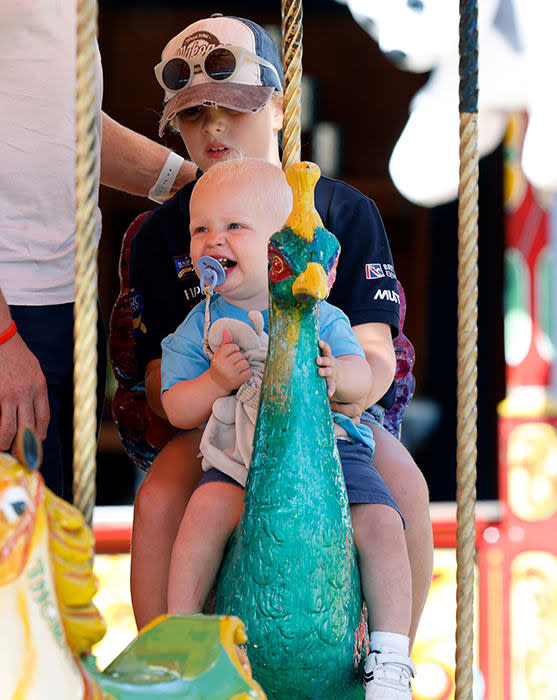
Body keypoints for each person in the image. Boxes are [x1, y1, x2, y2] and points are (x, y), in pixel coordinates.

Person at [129, 13, 433, 654]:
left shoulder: (341, 212)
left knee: (405, 483)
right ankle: (172, 660)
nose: (212, 128)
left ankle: (388, 656)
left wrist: (346, 380)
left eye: (233, 108)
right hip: (220, 421)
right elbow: (162, 379)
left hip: (330, 414)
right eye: (191, 115)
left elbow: (375, 347)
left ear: (276, 106)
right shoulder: (168, 233)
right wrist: (211, 381)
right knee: (158, 498)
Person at [162, 157, 415, 699]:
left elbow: (361, 375)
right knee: (204, 514)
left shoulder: (322, 315)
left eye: (234, 227)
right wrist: (211, 382)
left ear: (276, 244)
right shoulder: (201, 323)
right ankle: (183, 640)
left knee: (380, 523)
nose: (213, 240)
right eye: (200, 229)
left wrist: (335, 372)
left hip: (326, 447)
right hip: (239, 453)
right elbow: (176, 407)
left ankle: (390, 653)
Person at [0, 1, 196, 500]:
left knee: (57, 546)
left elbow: (60, 127)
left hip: (65, 306)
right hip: (11, 313)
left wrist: (196, 185)